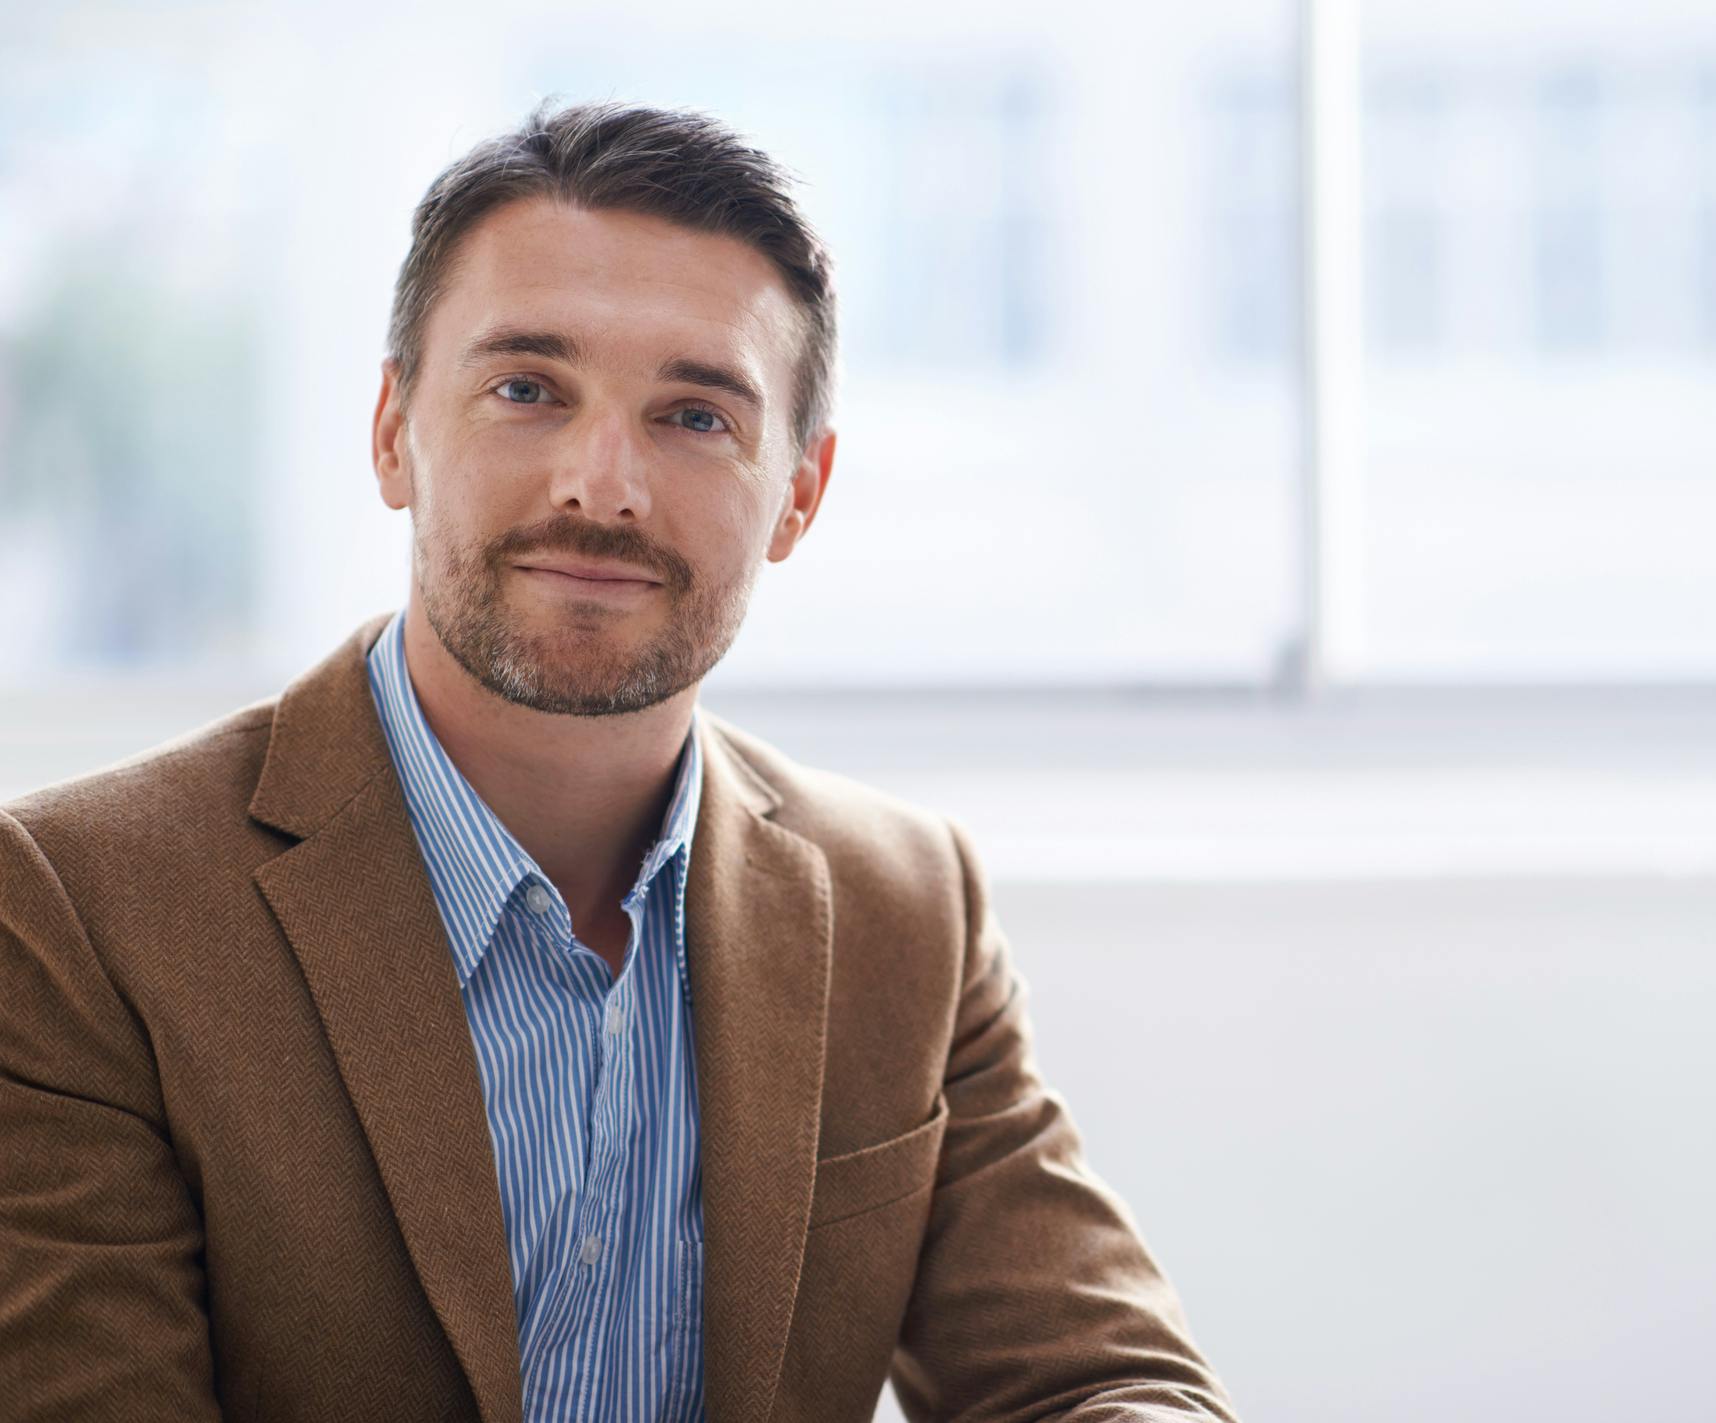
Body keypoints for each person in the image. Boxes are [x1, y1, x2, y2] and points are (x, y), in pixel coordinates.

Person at [0, 99, 1237, 1422]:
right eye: (526, 390)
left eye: (695, 416)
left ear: (799, 496)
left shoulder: (905, 904)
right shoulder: (76, 910)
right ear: (391, 431)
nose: (603, 487)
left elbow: (1103, 1377)